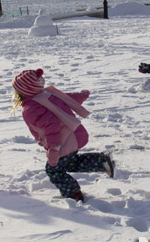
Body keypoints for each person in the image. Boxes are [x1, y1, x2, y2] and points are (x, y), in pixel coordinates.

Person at [12, 68, 114, 202]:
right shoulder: (48, 94)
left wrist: (54, 149)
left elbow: (51, 126)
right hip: (75, 134)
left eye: (16, 90)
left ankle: (74, 195)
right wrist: (81, 95)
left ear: (24, 91)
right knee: (69, 163)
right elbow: (68, 98)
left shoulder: (31, 109)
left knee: (54, 170)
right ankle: (101, 161)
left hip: (63, 141)